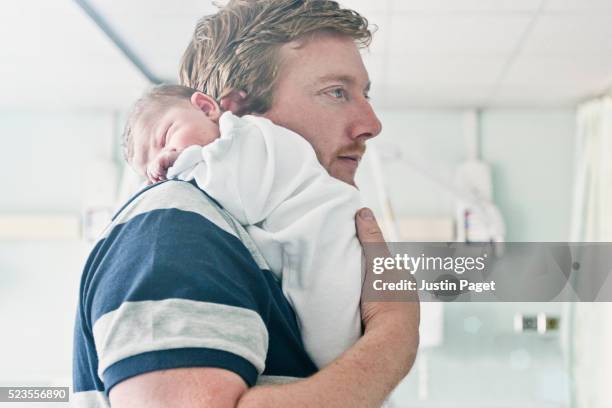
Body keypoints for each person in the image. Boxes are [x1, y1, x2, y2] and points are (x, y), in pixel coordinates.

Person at [72, 1, 419, 407]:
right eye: (336, 92)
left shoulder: (255, 242)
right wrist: (394, 334)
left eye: (365, 94)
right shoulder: (174, 228)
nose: (371, 124)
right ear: (235, 110)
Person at [123, 84, 363, 369]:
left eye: (165, 138)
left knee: (334, 352)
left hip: (327, 241)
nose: (164, 161)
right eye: (152, 170)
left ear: (205, 108)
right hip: (308, 253)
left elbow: (235, 194)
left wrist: (180, 163)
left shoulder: (247, 137)